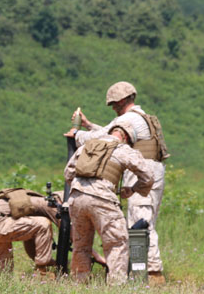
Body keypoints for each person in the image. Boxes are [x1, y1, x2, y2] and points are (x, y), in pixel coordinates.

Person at [69, 81, 169, 284]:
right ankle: (139, 272)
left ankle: (151, 273)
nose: (113, 108)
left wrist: (78, 134)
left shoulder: (129, 119)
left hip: (141, 169)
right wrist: (89, 126)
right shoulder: (139, 118)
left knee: (140, 222)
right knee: (138, 223)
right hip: (148, 170)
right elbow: (112, 136)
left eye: (114, 104)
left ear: (122, 100)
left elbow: (104, 138)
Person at [64, 121, 153, 285]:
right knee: (117, 243)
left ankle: (78, 284)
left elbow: (68, 172)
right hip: (103, 199)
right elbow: (148, 176)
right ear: (126, 137)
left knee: (81, 245)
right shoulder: (123, 149)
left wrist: (81, 190)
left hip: (76, 198)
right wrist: (133, 189)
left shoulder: (87, 146)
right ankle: (116, 286)